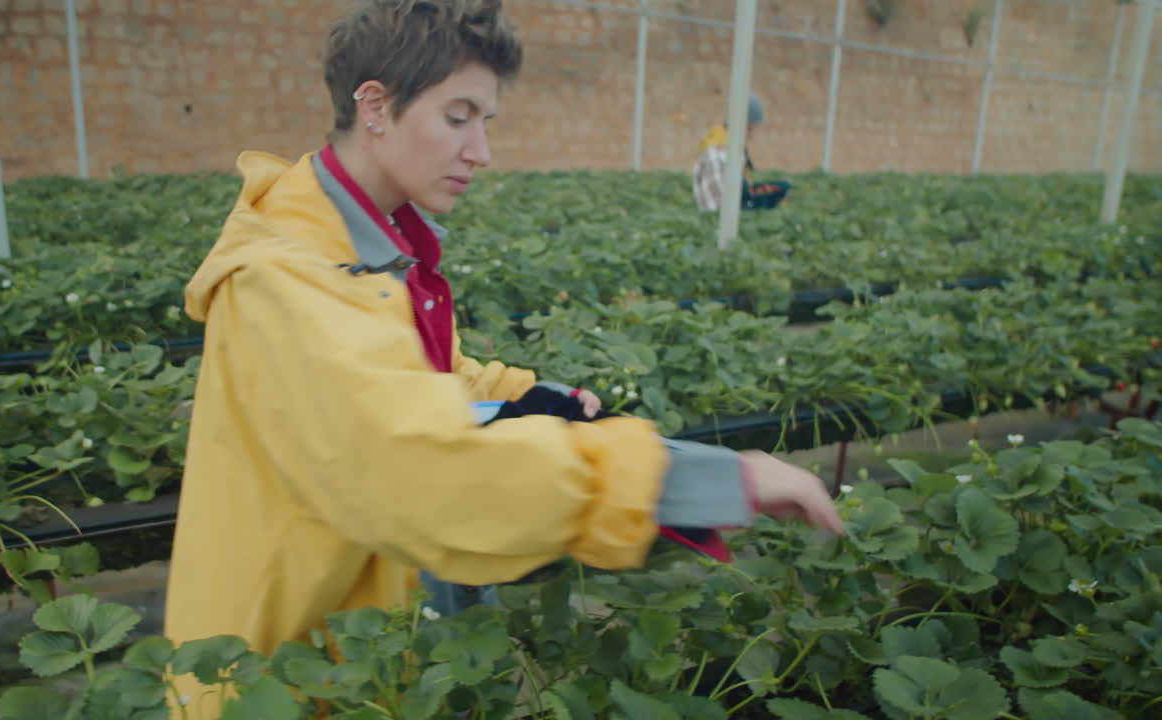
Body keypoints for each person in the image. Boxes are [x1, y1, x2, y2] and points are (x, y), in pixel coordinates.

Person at [164, 1, 842, 716]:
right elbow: (419, 470)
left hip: (362, 649)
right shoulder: (285, 281)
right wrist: (701, 479)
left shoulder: (362, 247)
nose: (481, 151)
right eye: (458, 117)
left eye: (486, 122)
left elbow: (426, 378)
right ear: (375, 106)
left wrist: (532, 396)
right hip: (285, 678)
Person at [692, 94, 791, 212]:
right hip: (718, 224)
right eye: (750, 129)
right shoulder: (718, 153)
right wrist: (759, 203)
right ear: (741, 124)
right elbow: (720, 208)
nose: (752, 136)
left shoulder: (728, 145)